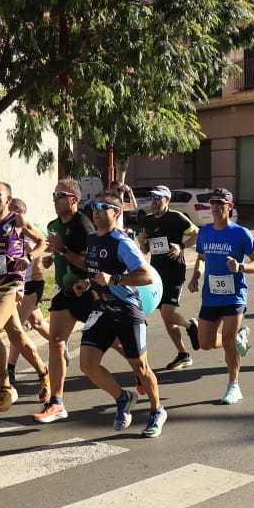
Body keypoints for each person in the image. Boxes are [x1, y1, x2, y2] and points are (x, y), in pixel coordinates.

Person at [75, 197, 167, 437]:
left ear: (116, 212)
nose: (96, 211)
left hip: (127, 309)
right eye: (94, 207)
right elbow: (97, 272)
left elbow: (147, 276)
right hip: (103, 309)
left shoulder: (122, 243)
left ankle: (157, 410)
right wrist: (86, 283)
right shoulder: (93, 238)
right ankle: (123, 397)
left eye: (103, 208)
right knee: (87, 364)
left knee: (141, 367)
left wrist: (115, 279)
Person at [0, 181, 50, 412]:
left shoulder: (18, 220)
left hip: (13, 284)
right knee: (17, 336)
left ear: (8, 199)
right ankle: (44, 374)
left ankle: (6, 387)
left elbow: (42, 242)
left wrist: (30, 257)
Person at [186, 188, 254, 405]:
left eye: (221, 202)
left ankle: (233, 386)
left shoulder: (241, 233)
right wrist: (195, 277)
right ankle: (240, 338)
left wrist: (240, 267)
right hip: (211, 295)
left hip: (234, 295)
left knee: (228, 340)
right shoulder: (205, 232)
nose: (216, 206)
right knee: (205, 343)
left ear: (229, 207)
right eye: (213, 202)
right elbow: (201, 258)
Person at [33, 179, 96, 424]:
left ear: (74, 199)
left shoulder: (84, 227)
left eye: (60, 194)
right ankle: (57, 402)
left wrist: (62, 250)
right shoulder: (53, 225)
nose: (55, 198)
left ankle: (140, 373)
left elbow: (90, 265)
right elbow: (58, 251)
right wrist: (52, 257)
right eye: (54, 194)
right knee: (56, 342)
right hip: (64, 291)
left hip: (88, 291)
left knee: (115, 343)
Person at [136, 185, 198, 370]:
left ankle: (190, 326)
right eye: (152, 198)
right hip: (156, 274)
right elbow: (145, 250)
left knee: (167, 313)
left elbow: (197, 234)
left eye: (157, 198)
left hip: (175, 272)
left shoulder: (177, 217)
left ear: (167, 200)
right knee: (167, 317)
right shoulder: (147, 220)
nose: (153, 201)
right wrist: (141, 242)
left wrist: (181, 246)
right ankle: (183, 354)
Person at [1, 196, 53, 385]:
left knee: (17, 328)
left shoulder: (31, 227)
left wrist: (32, 253)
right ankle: (59, 343)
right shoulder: (6, 230)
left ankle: (10, 368)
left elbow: (44, 243)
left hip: (32, 285)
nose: (9, 214)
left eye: (13, 211)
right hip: (17, 284)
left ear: (21, 213)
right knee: (38, 323)